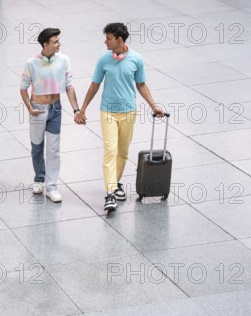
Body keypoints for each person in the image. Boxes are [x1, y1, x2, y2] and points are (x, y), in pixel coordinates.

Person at [75, 22, 164, 210]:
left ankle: (116, 183)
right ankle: (110, 194)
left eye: (109, 38)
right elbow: (94, 85)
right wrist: (82, 110)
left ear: (119, 40)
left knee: (122, 153)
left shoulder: (136, 59)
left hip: (128, 112)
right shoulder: (103, 60)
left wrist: (154, 105)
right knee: (110, 150)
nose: (105, 42)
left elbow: (141, 85)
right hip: (107, 111)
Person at [20, 28, 81, 202]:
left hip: (55, 109)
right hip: (37, 109)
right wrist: (30, 108)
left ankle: (51, 186)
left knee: (54, 149)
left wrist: (76, 110)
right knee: (37, 147)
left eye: (58, 41)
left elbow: (69, 86)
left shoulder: (64, 60)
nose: (59, 44)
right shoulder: (31, 63)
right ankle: (39, 178)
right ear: (45, 44)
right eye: (55, 41)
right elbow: (23, 89)